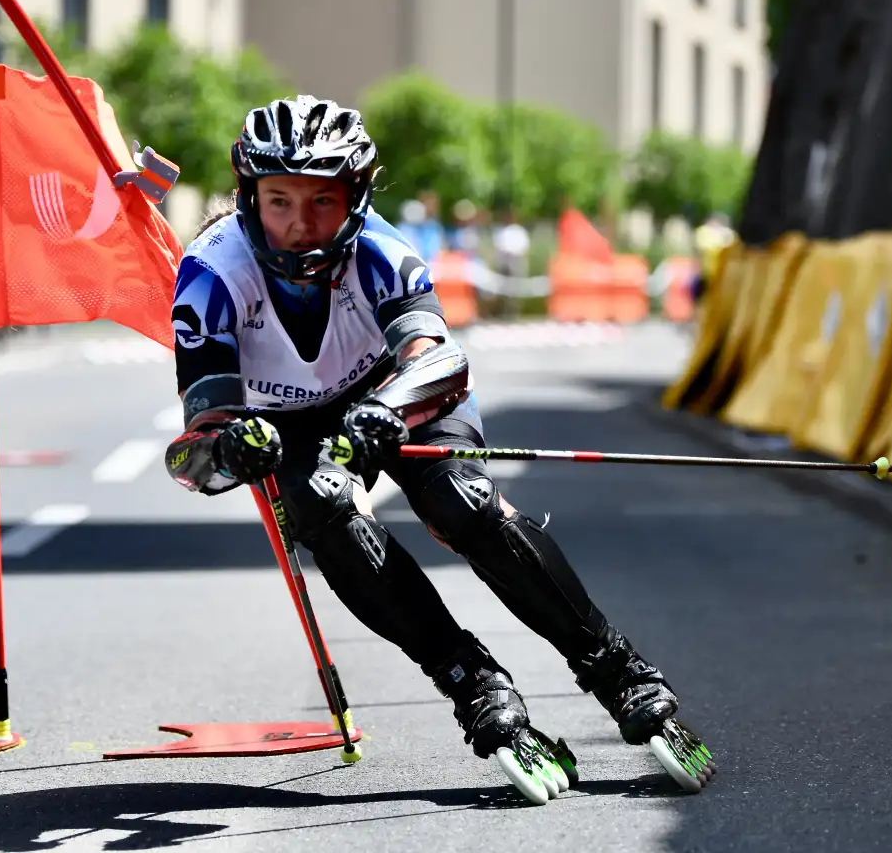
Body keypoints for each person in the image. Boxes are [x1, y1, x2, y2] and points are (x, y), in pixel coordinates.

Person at [165, 95, 691, 776]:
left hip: (392, 391)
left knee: (461, 503)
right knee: (320, 503)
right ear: (248, 196)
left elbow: (441, 359)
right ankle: (472, 681)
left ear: (356, 196)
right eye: (279, 200)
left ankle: (619, 672)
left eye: (322, 201)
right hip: (290, 421)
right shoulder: (210, 276)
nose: (299, 225)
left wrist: (388, 406)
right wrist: (228, 450)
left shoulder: (382, 250)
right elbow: (194, 447)